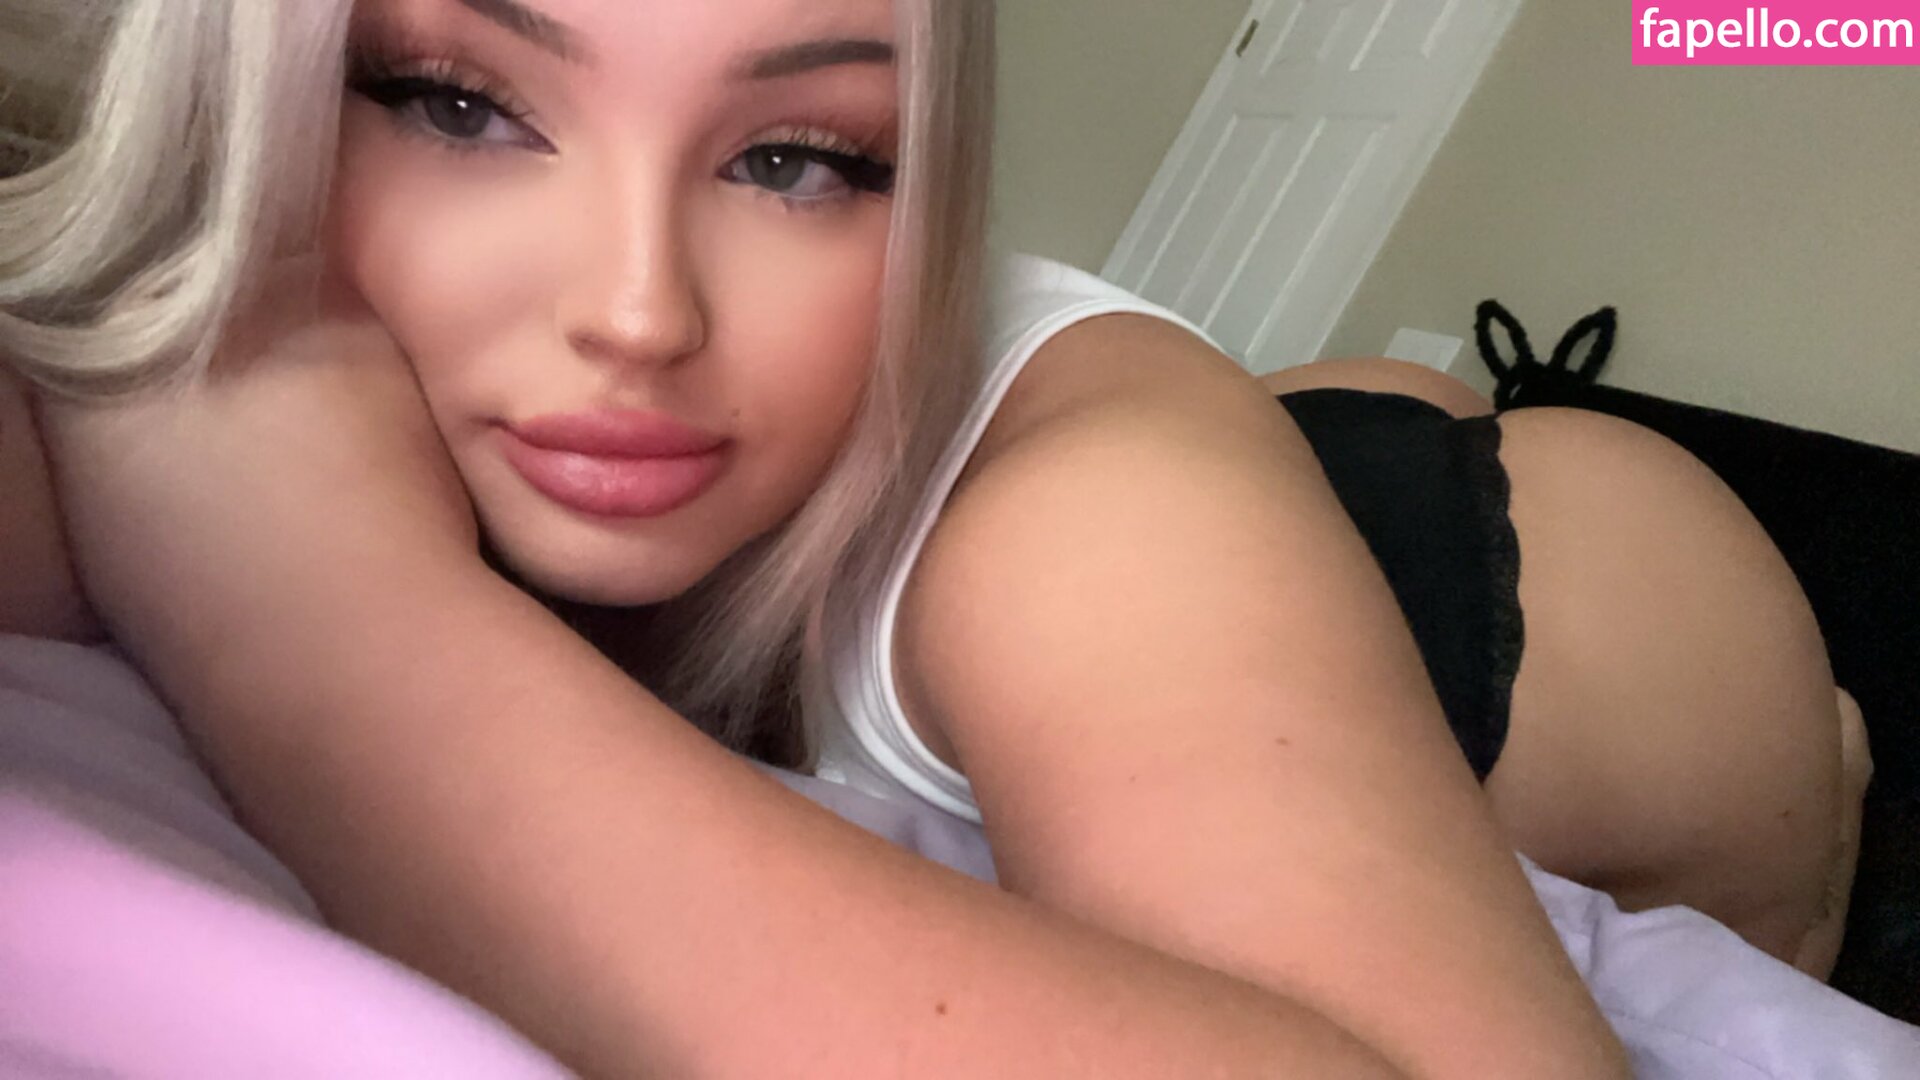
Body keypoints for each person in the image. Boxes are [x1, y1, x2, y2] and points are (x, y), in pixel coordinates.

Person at [0, 0, 1873, 1075]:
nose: (637, 313)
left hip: (1588, 608)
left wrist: (331, 618)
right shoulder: (147, 297)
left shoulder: (1075, 510)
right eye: (462, 105)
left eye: (797, 157)